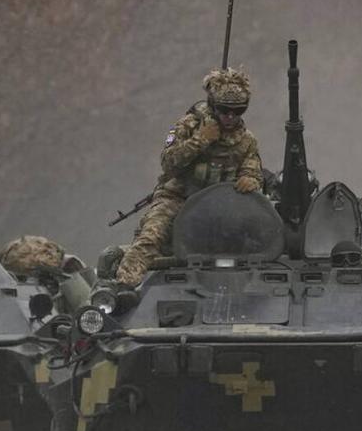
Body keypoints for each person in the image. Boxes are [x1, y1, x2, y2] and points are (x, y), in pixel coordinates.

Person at [112, 67, 263, 288]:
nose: (230, 117)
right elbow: (168, 162)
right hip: (178, 197)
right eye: (224, 110)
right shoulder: (188, 126)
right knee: (151, 235)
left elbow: (252, 169)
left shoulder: (246, 140)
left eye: (238, 111)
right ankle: (124, 286)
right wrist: (201, 140)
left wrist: (251, 180)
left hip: (221, 204)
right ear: (213, 105)